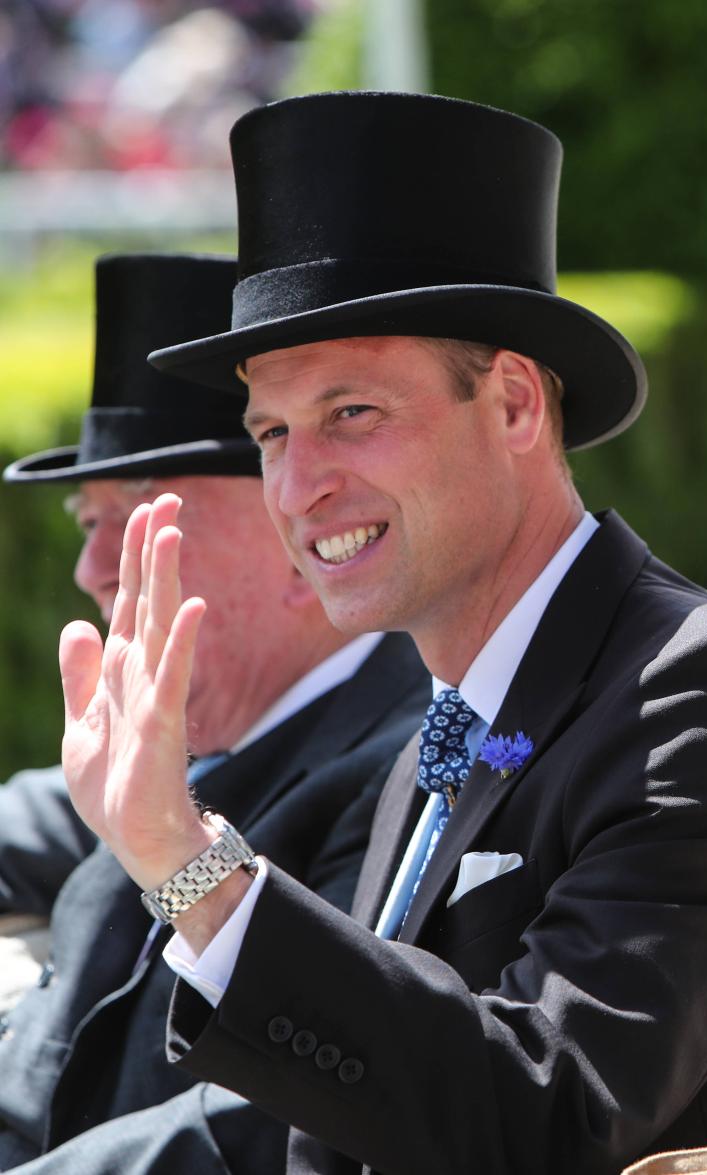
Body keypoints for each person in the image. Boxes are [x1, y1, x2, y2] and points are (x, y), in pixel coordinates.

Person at [61, 94, 707, 1175]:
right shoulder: (448, 723)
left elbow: (537, 1115)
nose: (298, 484)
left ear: (513, 403)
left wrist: (186, 860)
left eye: (351, 413)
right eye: (271, 431)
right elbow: (351, 1118)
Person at [0, 251, 428, 1173]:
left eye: (143, 515)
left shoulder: (405, 774)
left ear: (297, 534)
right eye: (88, 520)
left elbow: (279, 1121)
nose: (93, 566)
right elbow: (38, 816)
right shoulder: (204, 745)